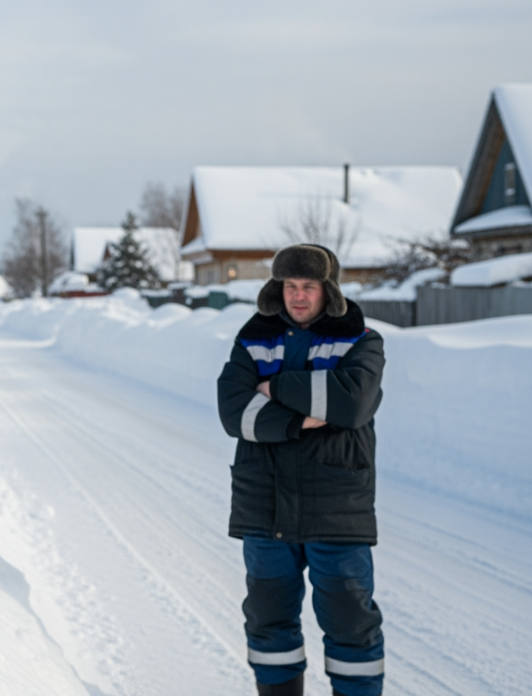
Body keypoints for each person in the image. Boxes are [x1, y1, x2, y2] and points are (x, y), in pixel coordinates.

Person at [216, 244, 386, 696]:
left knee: (351, 623)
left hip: (336, 507)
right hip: (265, 506)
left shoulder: (361, 339)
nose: (297, 295)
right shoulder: (253, 338)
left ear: (328, 290)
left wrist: (273, 388)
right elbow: (233, 412)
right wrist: (301, 417)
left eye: (308, 286)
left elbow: (352, 403)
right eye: (290, 285)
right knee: (268, 623)